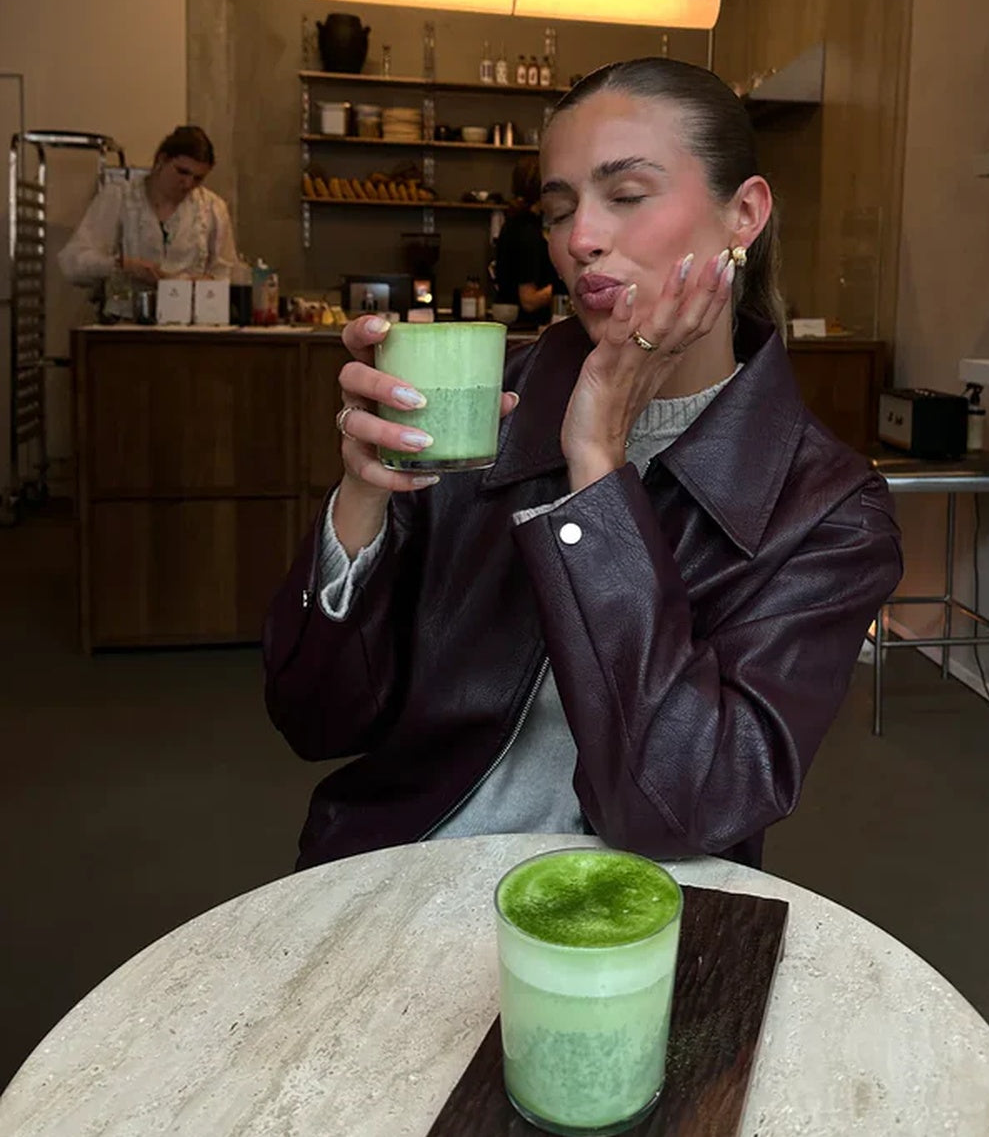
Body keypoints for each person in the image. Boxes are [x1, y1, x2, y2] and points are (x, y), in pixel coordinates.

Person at [263, 58, 902, 871]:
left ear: (744, 214)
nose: (579, 240)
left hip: (642, 905)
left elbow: (683, 808)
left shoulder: (827, 509)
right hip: (415, 868)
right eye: (558, 210)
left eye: (627, 195)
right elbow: (316, 721)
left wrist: (597, 464)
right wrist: (363, 499)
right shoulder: (482, 406)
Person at [58, 125, 237, 310]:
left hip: (189, 320)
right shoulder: (120, 197)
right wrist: (124, 265)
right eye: (182, 172)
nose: (188, 184)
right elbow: (73, 263)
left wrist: (202, 283)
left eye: (198, 178)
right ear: (162, 160)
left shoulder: (213, 208)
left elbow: (227, 273)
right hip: (126, 319)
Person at [492, 154, 564, 328]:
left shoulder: (514, 223)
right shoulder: (527, 232)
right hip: (527, 326)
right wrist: (565, 285)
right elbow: (529, 301)